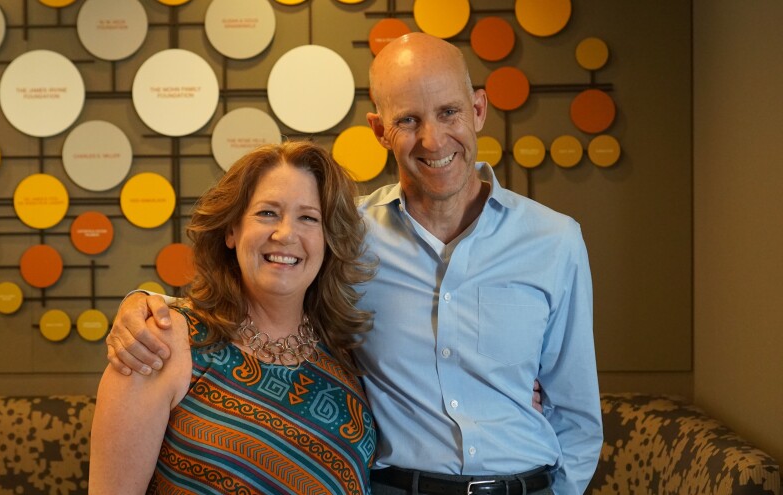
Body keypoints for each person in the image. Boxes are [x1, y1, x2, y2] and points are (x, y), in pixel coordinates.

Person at [108, 33, 602, 494]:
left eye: (449, 112)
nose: (433, 139)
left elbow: (577, 415)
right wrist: (143, 304)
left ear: (477, 110)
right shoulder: (344, 234)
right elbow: (265, 286)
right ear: (380, 131)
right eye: (408, 120)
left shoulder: (554, 240)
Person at [89, 141, 377, 494]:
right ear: (231, 230)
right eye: (267, 213)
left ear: (328, 239)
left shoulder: (343, 351)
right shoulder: (156, 343)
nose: (286, 234)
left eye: (308, 218)